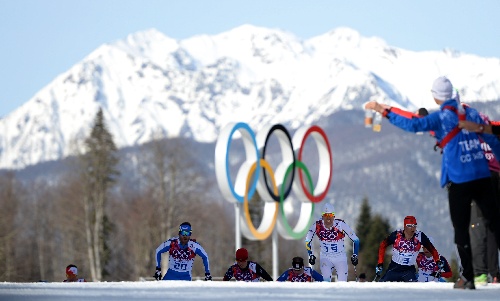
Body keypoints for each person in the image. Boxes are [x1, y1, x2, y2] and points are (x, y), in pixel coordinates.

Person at [365, 76, 500, 289]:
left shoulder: (440, 118)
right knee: (495, 224)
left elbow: (412, 124)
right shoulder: (474, 114)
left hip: (459, 179)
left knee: (462, 230)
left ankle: (468, 277)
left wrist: (384, 111)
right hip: (483, 176)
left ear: (436, 98)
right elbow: (493, 138)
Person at [376, 216, 443, 282]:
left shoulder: (420, 236)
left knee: (413, 289)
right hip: (394, 269)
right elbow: (383, 245)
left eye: (414, 226)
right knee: (381, 287)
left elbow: (432, 249)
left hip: (408, 271)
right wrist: (380, 263)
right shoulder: (397, 235)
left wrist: (437, 260)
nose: (412, 228)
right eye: (410, 226)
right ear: (405, 226)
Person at [304, 202, 360, 282]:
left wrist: (355, 255)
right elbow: (307, 240)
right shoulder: (317, 226)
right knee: (326, 280)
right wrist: (311, 255)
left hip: (340, 257)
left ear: (334, 216)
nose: (328, 218)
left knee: (342, 282)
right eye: (326, 215)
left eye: (330, 215)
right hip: (326, 258)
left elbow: (356, 240)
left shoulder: (340, 225)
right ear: (322, 216)